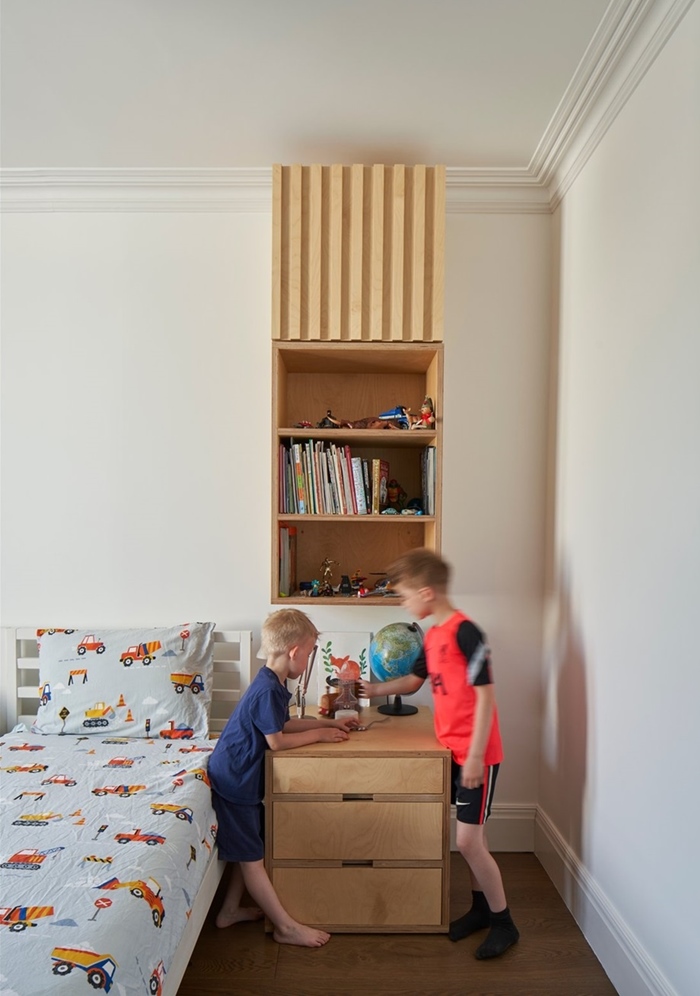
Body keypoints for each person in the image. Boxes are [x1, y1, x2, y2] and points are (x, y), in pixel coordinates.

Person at [359, 549, 519, 959]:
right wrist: (373, 689)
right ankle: (481, 910)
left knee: (467, 841)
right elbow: (414, 682)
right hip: (451, 751)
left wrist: (476, 757)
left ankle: (504, 923)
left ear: (427, 592)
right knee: (473, 836)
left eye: (405, 596)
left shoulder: (468, 632)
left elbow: (486, 698)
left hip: (477, 755)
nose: (403, 604)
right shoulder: (432, 636)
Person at [208, 608, 357, 947]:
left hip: (240, 778)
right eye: (308, 653)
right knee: (252, 859)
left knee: (251, 849)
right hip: (234, 781)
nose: (308, 660)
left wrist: (328, 723)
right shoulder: (266, 689)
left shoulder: (272, 682)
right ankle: (285, 927)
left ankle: (229, 910)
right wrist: (319, 736)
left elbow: (282, 723)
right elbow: (276, 741)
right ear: (294, 652)